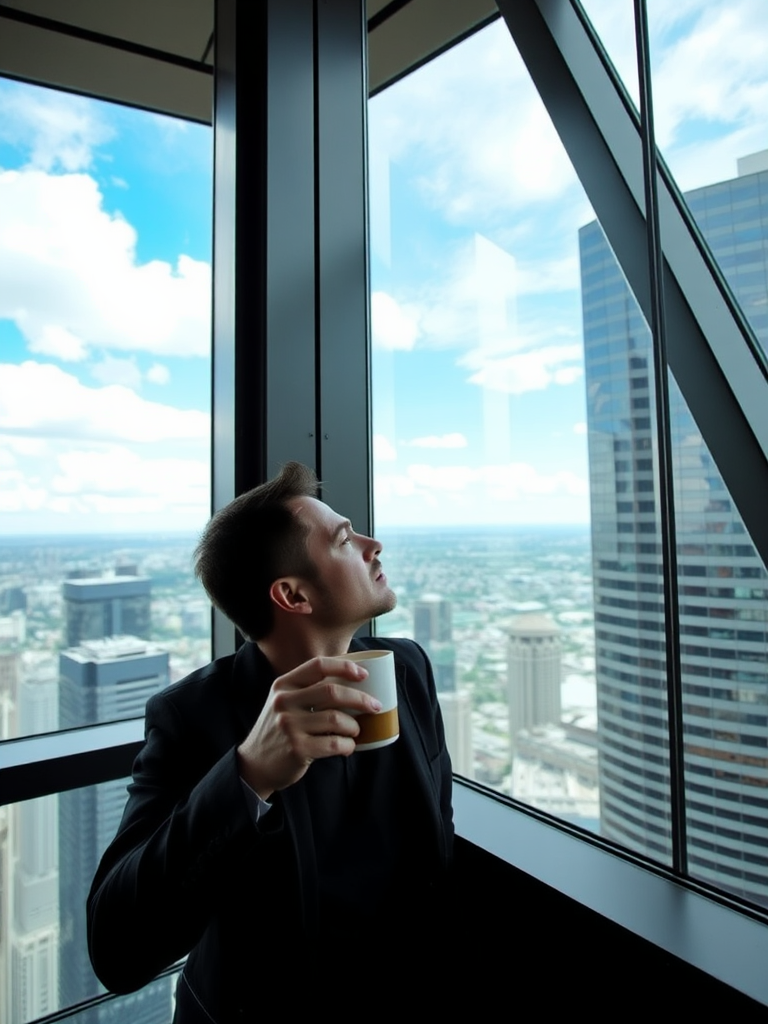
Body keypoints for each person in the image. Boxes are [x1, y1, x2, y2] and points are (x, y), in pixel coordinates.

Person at [87, 462, 453, 1022]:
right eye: (344, 539)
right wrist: (247, 774)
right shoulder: (191, 718)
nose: (373, 544)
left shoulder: (406, 669)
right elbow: (116, 950)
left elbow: (437, 839)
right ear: (292, 594)